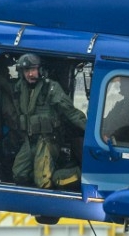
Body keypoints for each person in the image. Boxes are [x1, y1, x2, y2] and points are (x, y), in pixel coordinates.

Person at [8, 54, 85, 188]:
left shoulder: (51, 88)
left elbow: (71, 112)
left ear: (41, 70)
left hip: (47, 139)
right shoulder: (20, 88)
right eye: (26, 71)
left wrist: (91, 131)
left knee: (43, 182)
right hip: (29, 139)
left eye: (33, 69)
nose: (30, 74)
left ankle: (81, 174)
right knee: (19, 173)